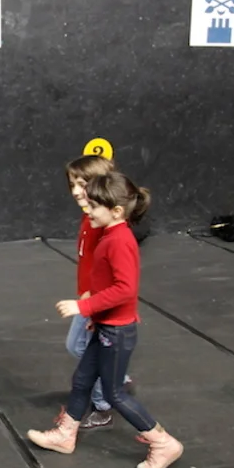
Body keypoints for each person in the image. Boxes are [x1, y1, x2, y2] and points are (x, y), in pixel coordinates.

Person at [28, 172, 183, 468]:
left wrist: (84, 306)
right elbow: (108, 282)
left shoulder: (119, 241)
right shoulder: (110, 235)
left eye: (94, 205)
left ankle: (163, 442)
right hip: (106, 327)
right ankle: (65, 435)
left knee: (114, 394)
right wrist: (95, 315)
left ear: (116, 210)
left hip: (117, 333)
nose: (88, 209)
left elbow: (125, 289)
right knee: (82, 379)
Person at [64, 154, 133, 430]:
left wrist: (91, 299)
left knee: (80, 347)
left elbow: (121, 282)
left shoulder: (106, 228)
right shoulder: (89, 218)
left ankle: (104, 401)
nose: (76, 191)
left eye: (82, 184)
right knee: (79, 346)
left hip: (95, 302)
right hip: (88, 298)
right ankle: (117, 376)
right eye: (72, 184)